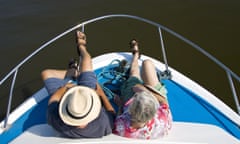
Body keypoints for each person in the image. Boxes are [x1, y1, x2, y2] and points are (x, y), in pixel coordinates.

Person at [41, 31, 115, 138]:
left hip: (71, 96)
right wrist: (101, 93)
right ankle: (82, 46)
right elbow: (111, 112)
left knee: (46, 73)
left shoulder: (57, 122)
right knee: (87, 60)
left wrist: (66, 88)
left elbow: (53, 100)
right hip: (85, 96)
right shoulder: (104, 124)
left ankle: (72, 73)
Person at [113, 40, 172, 139]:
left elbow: (120, 114)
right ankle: (136, 57)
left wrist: (120, 105)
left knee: (134, 75)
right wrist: (146, 91)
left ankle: (135, 56)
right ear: (154, 112)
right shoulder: (162, 120)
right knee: (147, 63)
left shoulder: (121, 126)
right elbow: (163, 100)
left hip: (138, 97)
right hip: (152, 95)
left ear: (130, 109)